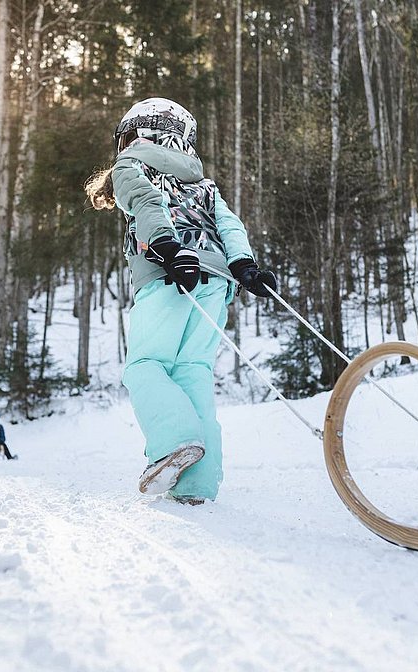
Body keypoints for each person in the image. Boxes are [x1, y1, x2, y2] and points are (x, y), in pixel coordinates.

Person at [85, 97, 277, 505]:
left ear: (133, 135)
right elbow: (228, 223)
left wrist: (168, 247)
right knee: (192, 371)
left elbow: (146, 202)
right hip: (215, 282)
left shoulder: (130, 165)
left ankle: (173, 440)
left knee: (145, 365)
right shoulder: (202, 182)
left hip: (169, 271)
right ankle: (197, 485)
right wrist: (245, 266)